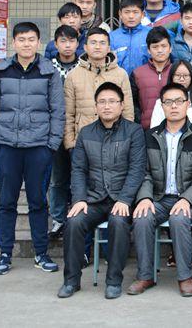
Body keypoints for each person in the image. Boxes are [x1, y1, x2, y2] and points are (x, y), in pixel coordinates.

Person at [0, 22, 65, 276]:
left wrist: (51, 145)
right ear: (14, 43)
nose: (26, 44)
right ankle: (5, 254)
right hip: (6, 146)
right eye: (21, 39)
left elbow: (58, 111)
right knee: (6, 202)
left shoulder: (49, 71)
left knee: (38, 202)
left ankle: (41, 253)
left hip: (39, 147)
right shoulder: (0, 70)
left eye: (31, 39)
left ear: (39, 42)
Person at [58, 83, 146, 299]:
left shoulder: (134, 131)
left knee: (118, 222)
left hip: (121, 199)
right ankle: (71, 281)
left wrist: (125, 199)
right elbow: (78, 170)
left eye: (112, 101)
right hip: (94, 199)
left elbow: (137, 169)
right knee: (74, 221)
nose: (107, 106)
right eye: (102, 102)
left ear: (122, 105)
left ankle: (114, 281)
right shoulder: (86, 133)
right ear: (96, 106)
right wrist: (79, 199)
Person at [128, 83, 192, 297]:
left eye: (179, 101)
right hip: (159, 198)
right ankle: (145, 276)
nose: (174, 106)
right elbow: (144, 172)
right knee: (142, 217)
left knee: (179, 218)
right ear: (161, 106)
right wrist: (145, 198)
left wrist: (186, 199)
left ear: (187, 104)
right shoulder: (149, 136)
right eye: (168, 102)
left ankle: (185, 277)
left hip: (190, 200)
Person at [63, 28, 135, 152]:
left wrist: (126, 139)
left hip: (115, 141)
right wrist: (70, 143)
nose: (97, 47)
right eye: (93, 43)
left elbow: (128, 111)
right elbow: (68, 113)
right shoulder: (73, 75)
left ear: (108, 48)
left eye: (102, 43)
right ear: (85, 47)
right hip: (82, 141)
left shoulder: (121, 74)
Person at [47, 25, 81, 237]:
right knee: (58, 179)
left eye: (71, 41)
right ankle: (58, 219)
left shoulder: (84, 66)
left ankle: (78, 219)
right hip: (56, 130)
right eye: (63, 41)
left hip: (79, 131)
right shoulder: (47, 67)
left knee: (79, 178)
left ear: (78, 43)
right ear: (56, 44)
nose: (67, 45)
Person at [131, 27, 173, 131]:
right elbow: (132, 104)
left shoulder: (178, 71)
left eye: (163, 46)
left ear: (170, 48)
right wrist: (139, 122)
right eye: (155, 47)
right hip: (146, 130)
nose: (160, 50)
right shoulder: (137, 73)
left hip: (174, 128)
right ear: (148, 50)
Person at [150, 60, 192, 130]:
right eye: (178, 75)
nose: (182, 79)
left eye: (186, 75)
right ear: (171, 77)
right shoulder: (161, 102)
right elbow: (155, 129)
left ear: (191, 77)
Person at [109, 0, 150, 75]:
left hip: (145, 80)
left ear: (143, 14)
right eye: (127, 12)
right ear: (120, 14)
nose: (131, 16)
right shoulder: (112, 37)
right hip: (118, 80)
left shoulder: (151, 34)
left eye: (135, 12)